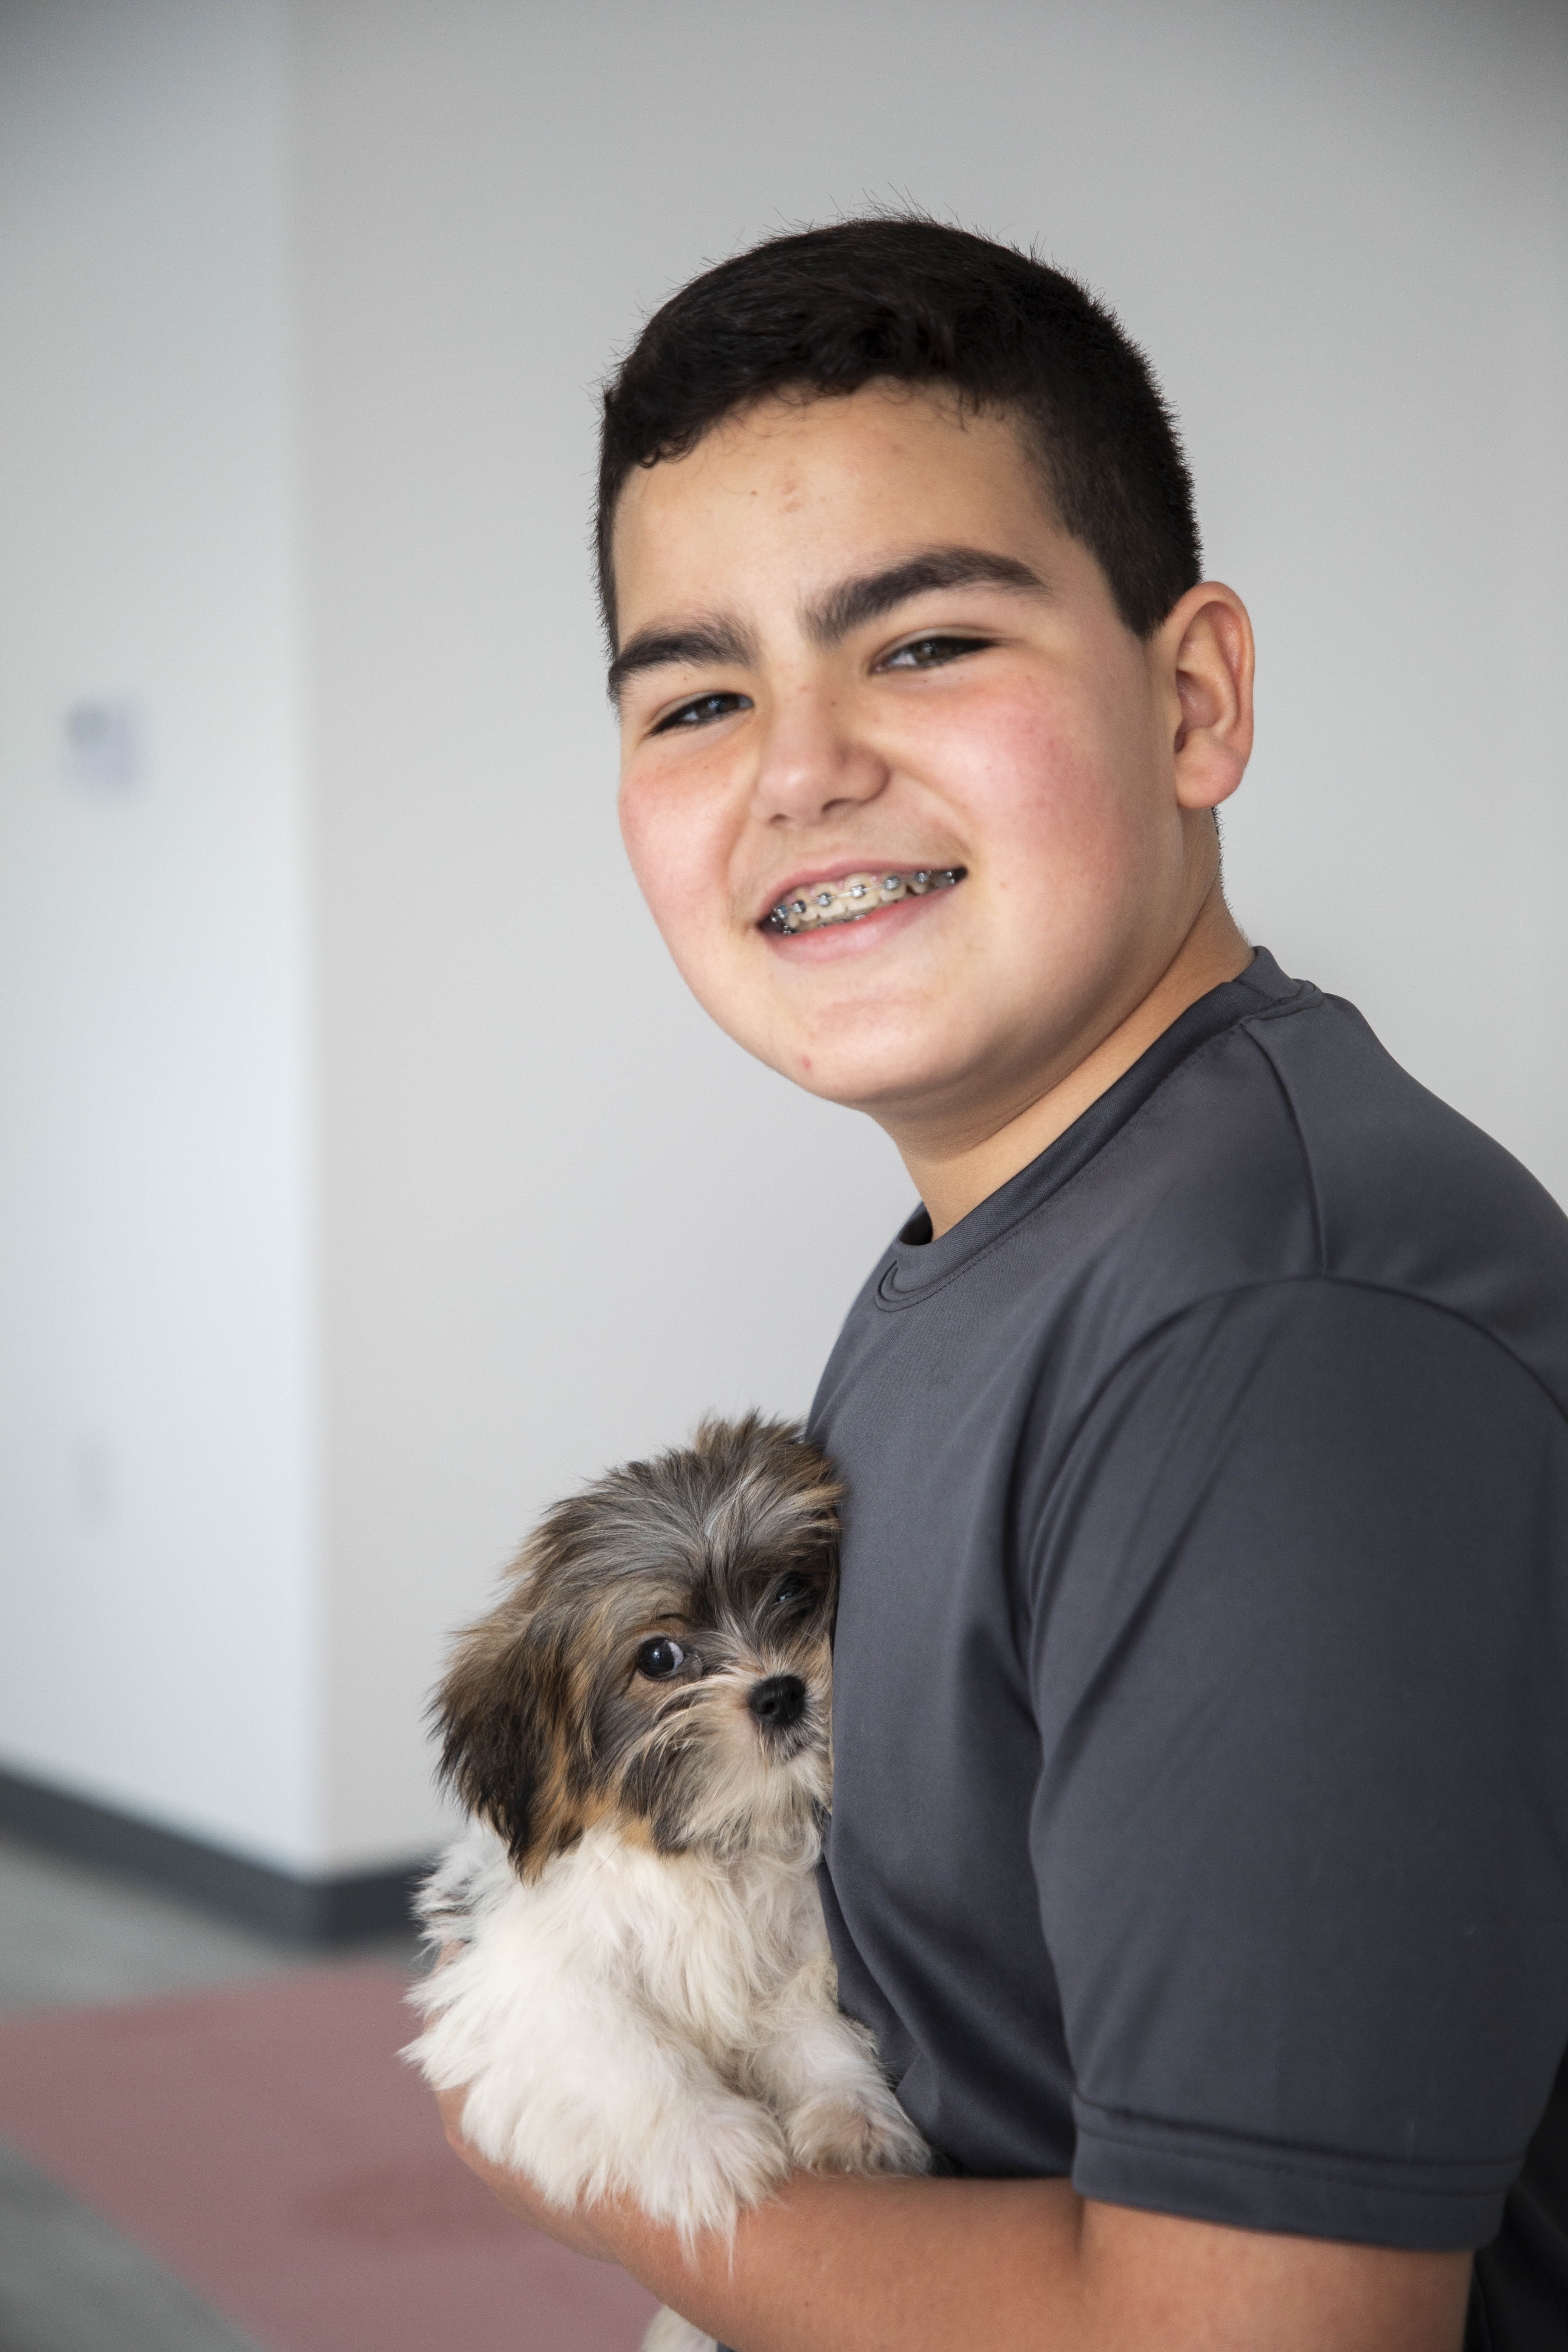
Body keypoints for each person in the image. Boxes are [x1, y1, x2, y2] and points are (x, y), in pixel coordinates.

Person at [435, 217, 1568, 2351]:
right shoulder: (1011, 1240)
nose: (800, 768)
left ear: (1195, 696)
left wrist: (579, 2158)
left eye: (927, 643)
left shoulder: (1284, 1348)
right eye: (697, 693)